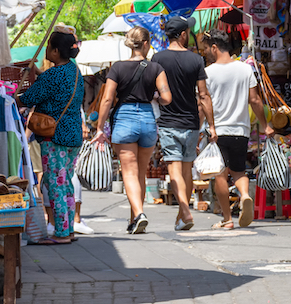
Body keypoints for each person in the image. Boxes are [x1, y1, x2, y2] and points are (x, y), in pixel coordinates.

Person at [93, 27, 172, 234]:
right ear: (146, 43)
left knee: (128, 172)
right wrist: (154, 96)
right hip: (147, 119)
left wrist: (100, 127)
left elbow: (108, 99)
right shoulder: (156, 68)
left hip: (125, 119)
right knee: (140, 173)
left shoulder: (117, 68)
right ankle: (134, 219)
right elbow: (167, 98)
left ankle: (138, 214)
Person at [200, 30, 273, 229]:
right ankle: (245, 196)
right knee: (239, 171)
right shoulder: (245, 69)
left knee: (221, 175)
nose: (207, 52)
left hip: (218, 132)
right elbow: (255, 100)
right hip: (241, 130)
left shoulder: (208, 72)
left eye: (208, 48)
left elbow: (204, 103)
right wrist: (265, 125)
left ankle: (227, 219)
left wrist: (202, 128)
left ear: (215, 47)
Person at [18, 31, 84, 244]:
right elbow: (48, 83)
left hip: (54, 136)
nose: (45, 51)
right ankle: (69, 229)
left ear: (56, 51)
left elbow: (29, 97)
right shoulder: (73, 70)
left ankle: (62, 233)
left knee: (55, 183)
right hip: (72, 134)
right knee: (66, 184)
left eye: (48, 47)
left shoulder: (54, 75)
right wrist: (36, 71)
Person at [153, 16, 215, 231]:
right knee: (187, 169)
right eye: (187, 32)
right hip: (190, 122)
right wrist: (212, 125)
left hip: (168, 121)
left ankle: (184, 212)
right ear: (182, 35)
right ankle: (183, 213)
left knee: (175, 169)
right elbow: (204, 95)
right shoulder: (196, 60)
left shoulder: (157, 58)